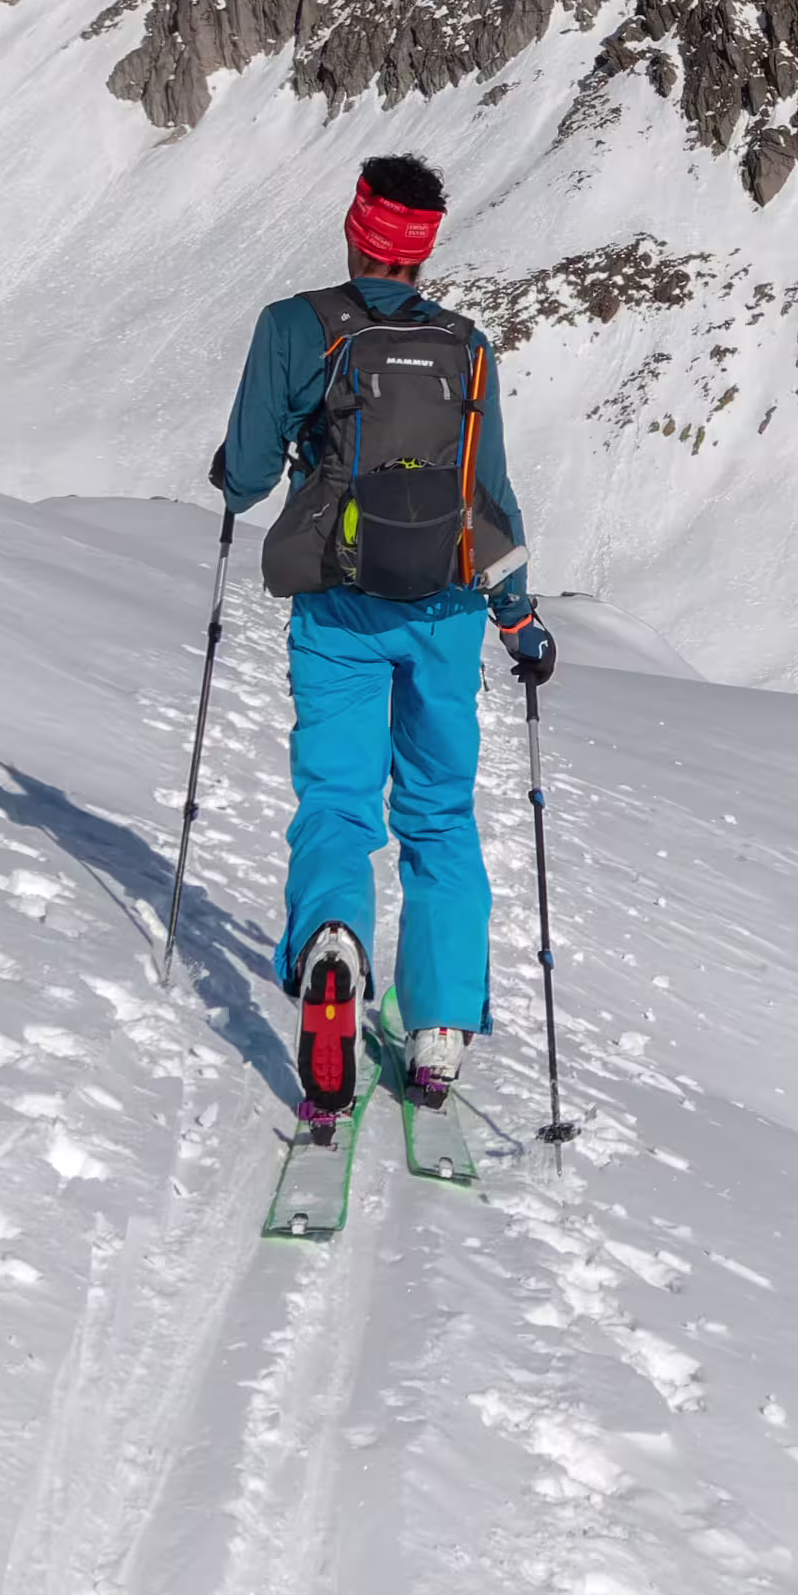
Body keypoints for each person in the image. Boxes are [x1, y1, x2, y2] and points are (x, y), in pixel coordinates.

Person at [211, 154, 553, 1117]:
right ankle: (440, 1025)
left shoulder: (297, 326)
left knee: (337, 804)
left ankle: (331, 943)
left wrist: (239, 474)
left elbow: (243, 475)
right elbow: (489, 494)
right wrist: (517, 616)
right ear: (423, 247)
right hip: (444, 614)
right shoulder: (468, 345)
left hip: (339, 608)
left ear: (357, 228)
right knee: (439, 813)